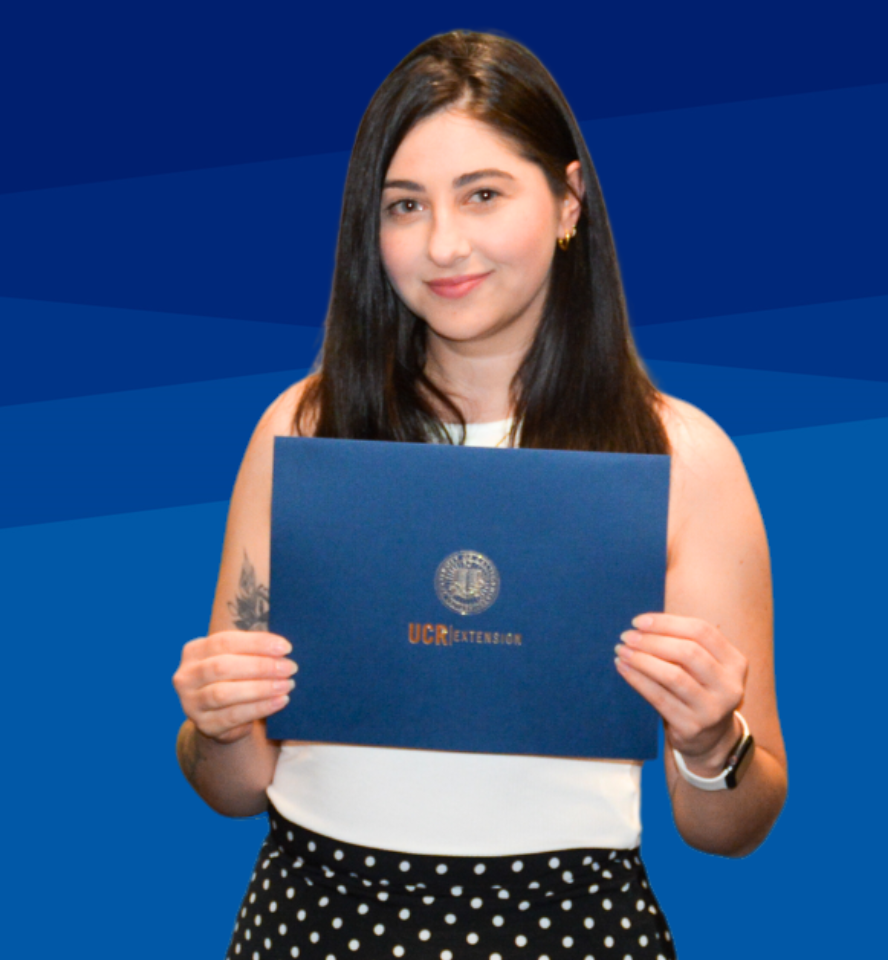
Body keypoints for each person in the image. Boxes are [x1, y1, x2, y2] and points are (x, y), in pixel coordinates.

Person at [173, 30, 787, 960]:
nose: (443, 244)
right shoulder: (302, 430)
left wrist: (711, 744)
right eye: (405, 205)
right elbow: (232, 786)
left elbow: (732, 827)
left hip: (569, 924)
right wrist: (217, 723)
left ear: (569, 199)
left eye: (483, 194)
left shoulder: (680, 458)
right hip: (317, 915)